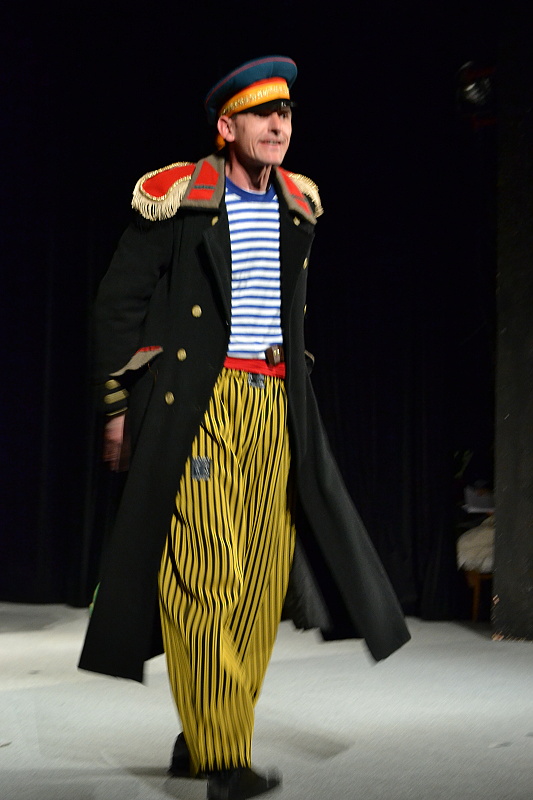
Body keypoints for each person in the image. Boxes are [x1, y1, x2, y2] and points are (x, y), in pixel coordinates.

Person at [79, 55, 410, 800]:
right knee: (204, 575)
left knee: (259, 582)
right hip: (199, 406)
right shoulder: (180, 199)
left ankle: (206, 731)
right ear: (226, 128)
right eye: (262, 114)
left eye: (285, 113)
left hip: (276, 405)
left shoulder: (299, 203)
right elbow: (116, 305)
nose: (278, 125)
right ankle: (223, 757)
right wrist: (117, 406)